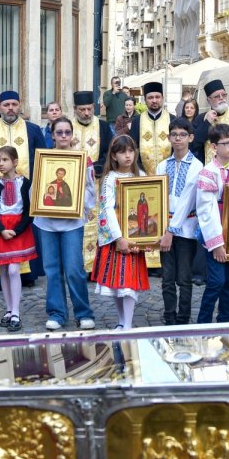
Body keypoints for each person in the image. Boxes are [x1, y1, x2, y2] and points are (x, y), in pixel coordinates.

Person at [0, 90, 46, 288]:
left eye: (14, 104)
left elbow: (42, 160)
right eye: (6, 105)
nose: (10, 108)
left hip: (26, 191)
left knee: (25, 227)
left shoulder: (33, 130)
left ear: (19, 105)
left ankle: (27, 275)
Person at [91, 135, 149, 329]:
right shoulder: (110, 179)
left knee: (129, 283)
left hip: (135, 235)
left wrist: (148, 236)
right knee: (117, 283)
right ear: (114, 156)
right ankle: (122, 321)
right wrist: (119, 237)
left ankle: (128, 325)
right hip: (117, 238)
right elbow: (107, 209)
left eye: (131, 151)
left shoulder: (141, 175)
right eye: (123, 152)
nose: (128, 156)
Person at [195, 122, 229, 323]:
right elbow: (206, 209)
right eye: (226, 143)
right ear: (214, 147)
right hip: (215, 232)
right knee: (216, 281)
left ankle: (225, 320)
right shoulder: (208, 172)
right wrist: (217, 244)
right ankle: (203, 322)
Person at [157, 117, 203, 325]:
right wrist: (161, 229)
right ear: (169, 137)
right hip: (164, 227)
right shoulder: (162, 165)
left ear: (190, 138)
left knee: (184, 277)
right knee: (167, 277)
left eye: (183, 135)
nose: (178, 138)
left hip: (185, 229)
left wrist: (171, 230)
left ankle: (183, 318)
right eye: (174, 135)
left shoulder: (197, 166)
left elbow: (187, 201)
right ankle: (169, 316)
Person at [0, 145, 36, 332]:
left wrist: (17, 230)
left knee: (14, 270)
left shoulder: (25, 183)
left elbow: (29, 210)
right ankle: (8, 309)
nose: (1, 163)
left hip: (18, 230)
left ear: (15, 162)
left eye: (5, 160)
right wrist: (0, 230)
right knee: (4, 270)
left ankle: (16, 311)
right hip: (1, 229)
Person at [129, 81, 172, 175]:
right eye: (150, 97)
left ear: (163, 98)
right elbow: (133, 147)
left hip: (169, 173)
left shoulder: (172, 119)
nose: (154, 100)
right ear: (145, 100)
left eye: (157, 97)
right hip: (143, 174)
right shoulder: (137, 121)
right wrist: (139, 170)